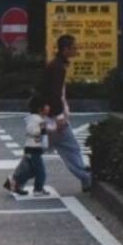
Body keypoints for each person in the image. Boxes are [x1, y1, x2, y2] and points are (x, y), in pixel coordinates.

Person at [39, 33, 94, 190]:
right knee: (71, 149)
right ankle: (87, 178)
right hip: (54, 118)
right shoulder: (57, 67)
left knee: (35, 152)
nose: (76, 50)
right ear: (65, 49)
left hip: (48, 116)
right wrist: (60, 116)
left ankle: (15, 181)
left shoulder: (57, 65)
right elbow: (55, 94)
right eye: (74, 48)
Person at [4, 97, 52, 196]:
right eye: (46, 105)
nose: (49, 107)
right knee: (40, 171)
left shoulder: (40, 119)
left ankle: (14, 182)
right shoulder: (35, 119)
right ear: (40, 108)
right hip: (33, 149)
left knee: (31, 170)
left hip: (35, 149)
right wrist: (42, 130)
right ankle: (37, 189)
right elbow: (31, 130)